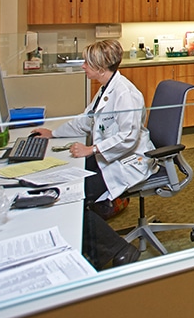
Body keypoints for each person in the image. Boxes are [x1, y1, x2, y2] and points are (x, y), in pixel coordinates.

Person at [33, 40, 155, 268]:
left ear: (100, 66)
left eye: (87, 63)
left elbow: (128, 137)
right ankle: (92, 249)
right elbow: (86, 121)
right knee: (66, 186)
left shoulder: (124, 94)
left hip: (128, 161)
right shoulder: (105, 90)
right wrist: (54, 133)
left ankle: (120, 250)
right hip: (110, 158)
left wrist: (93, 149)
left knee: (75, 196)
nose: (83, 67)